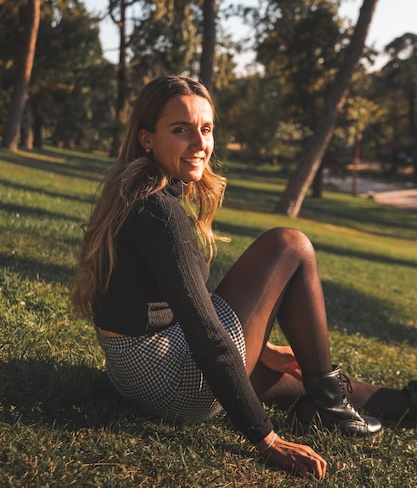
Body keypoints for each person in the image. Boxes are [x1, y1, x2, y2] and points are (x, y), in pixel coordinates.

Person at [71, 75, 416, 481]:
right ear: (147, 138)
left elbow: (178, 301)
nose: (200, 144)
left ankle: (387, 402)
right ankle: (327, 402)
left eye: (206, 129)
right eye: (181, 130)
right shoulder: (157, 211)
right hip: (167, 380)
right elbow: (206, 335)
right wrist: (265, 439)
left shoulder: (136, 189)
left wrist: (263, 347)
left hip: (134, 374)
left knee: (293, 377)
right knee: (289, 245)